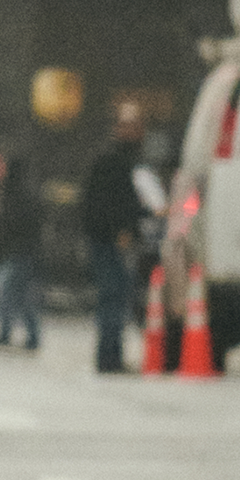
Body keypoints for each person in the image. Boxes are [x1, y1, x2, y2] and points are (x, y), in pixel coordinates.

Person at [80, 103, 161, 374]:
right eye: (129, 125)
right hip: (109, 240)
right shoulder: (112, 160)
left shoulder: (127, 159)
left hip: (111, 238)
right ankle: (108, 357)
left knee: (117, 296)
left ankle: (112, 354)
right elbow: (107, 203)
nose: (135, 131)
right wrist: (121, 230)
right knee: (112, 296)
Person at [0, 152, 43, 352]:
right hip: (24, 253)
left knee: (3, 290)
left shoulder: (11, 197)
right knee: (22, 295)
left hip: (16, 252)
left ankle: (6, 333)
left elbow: (9, 225)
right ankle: (32, 336)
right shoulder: (27, 195)